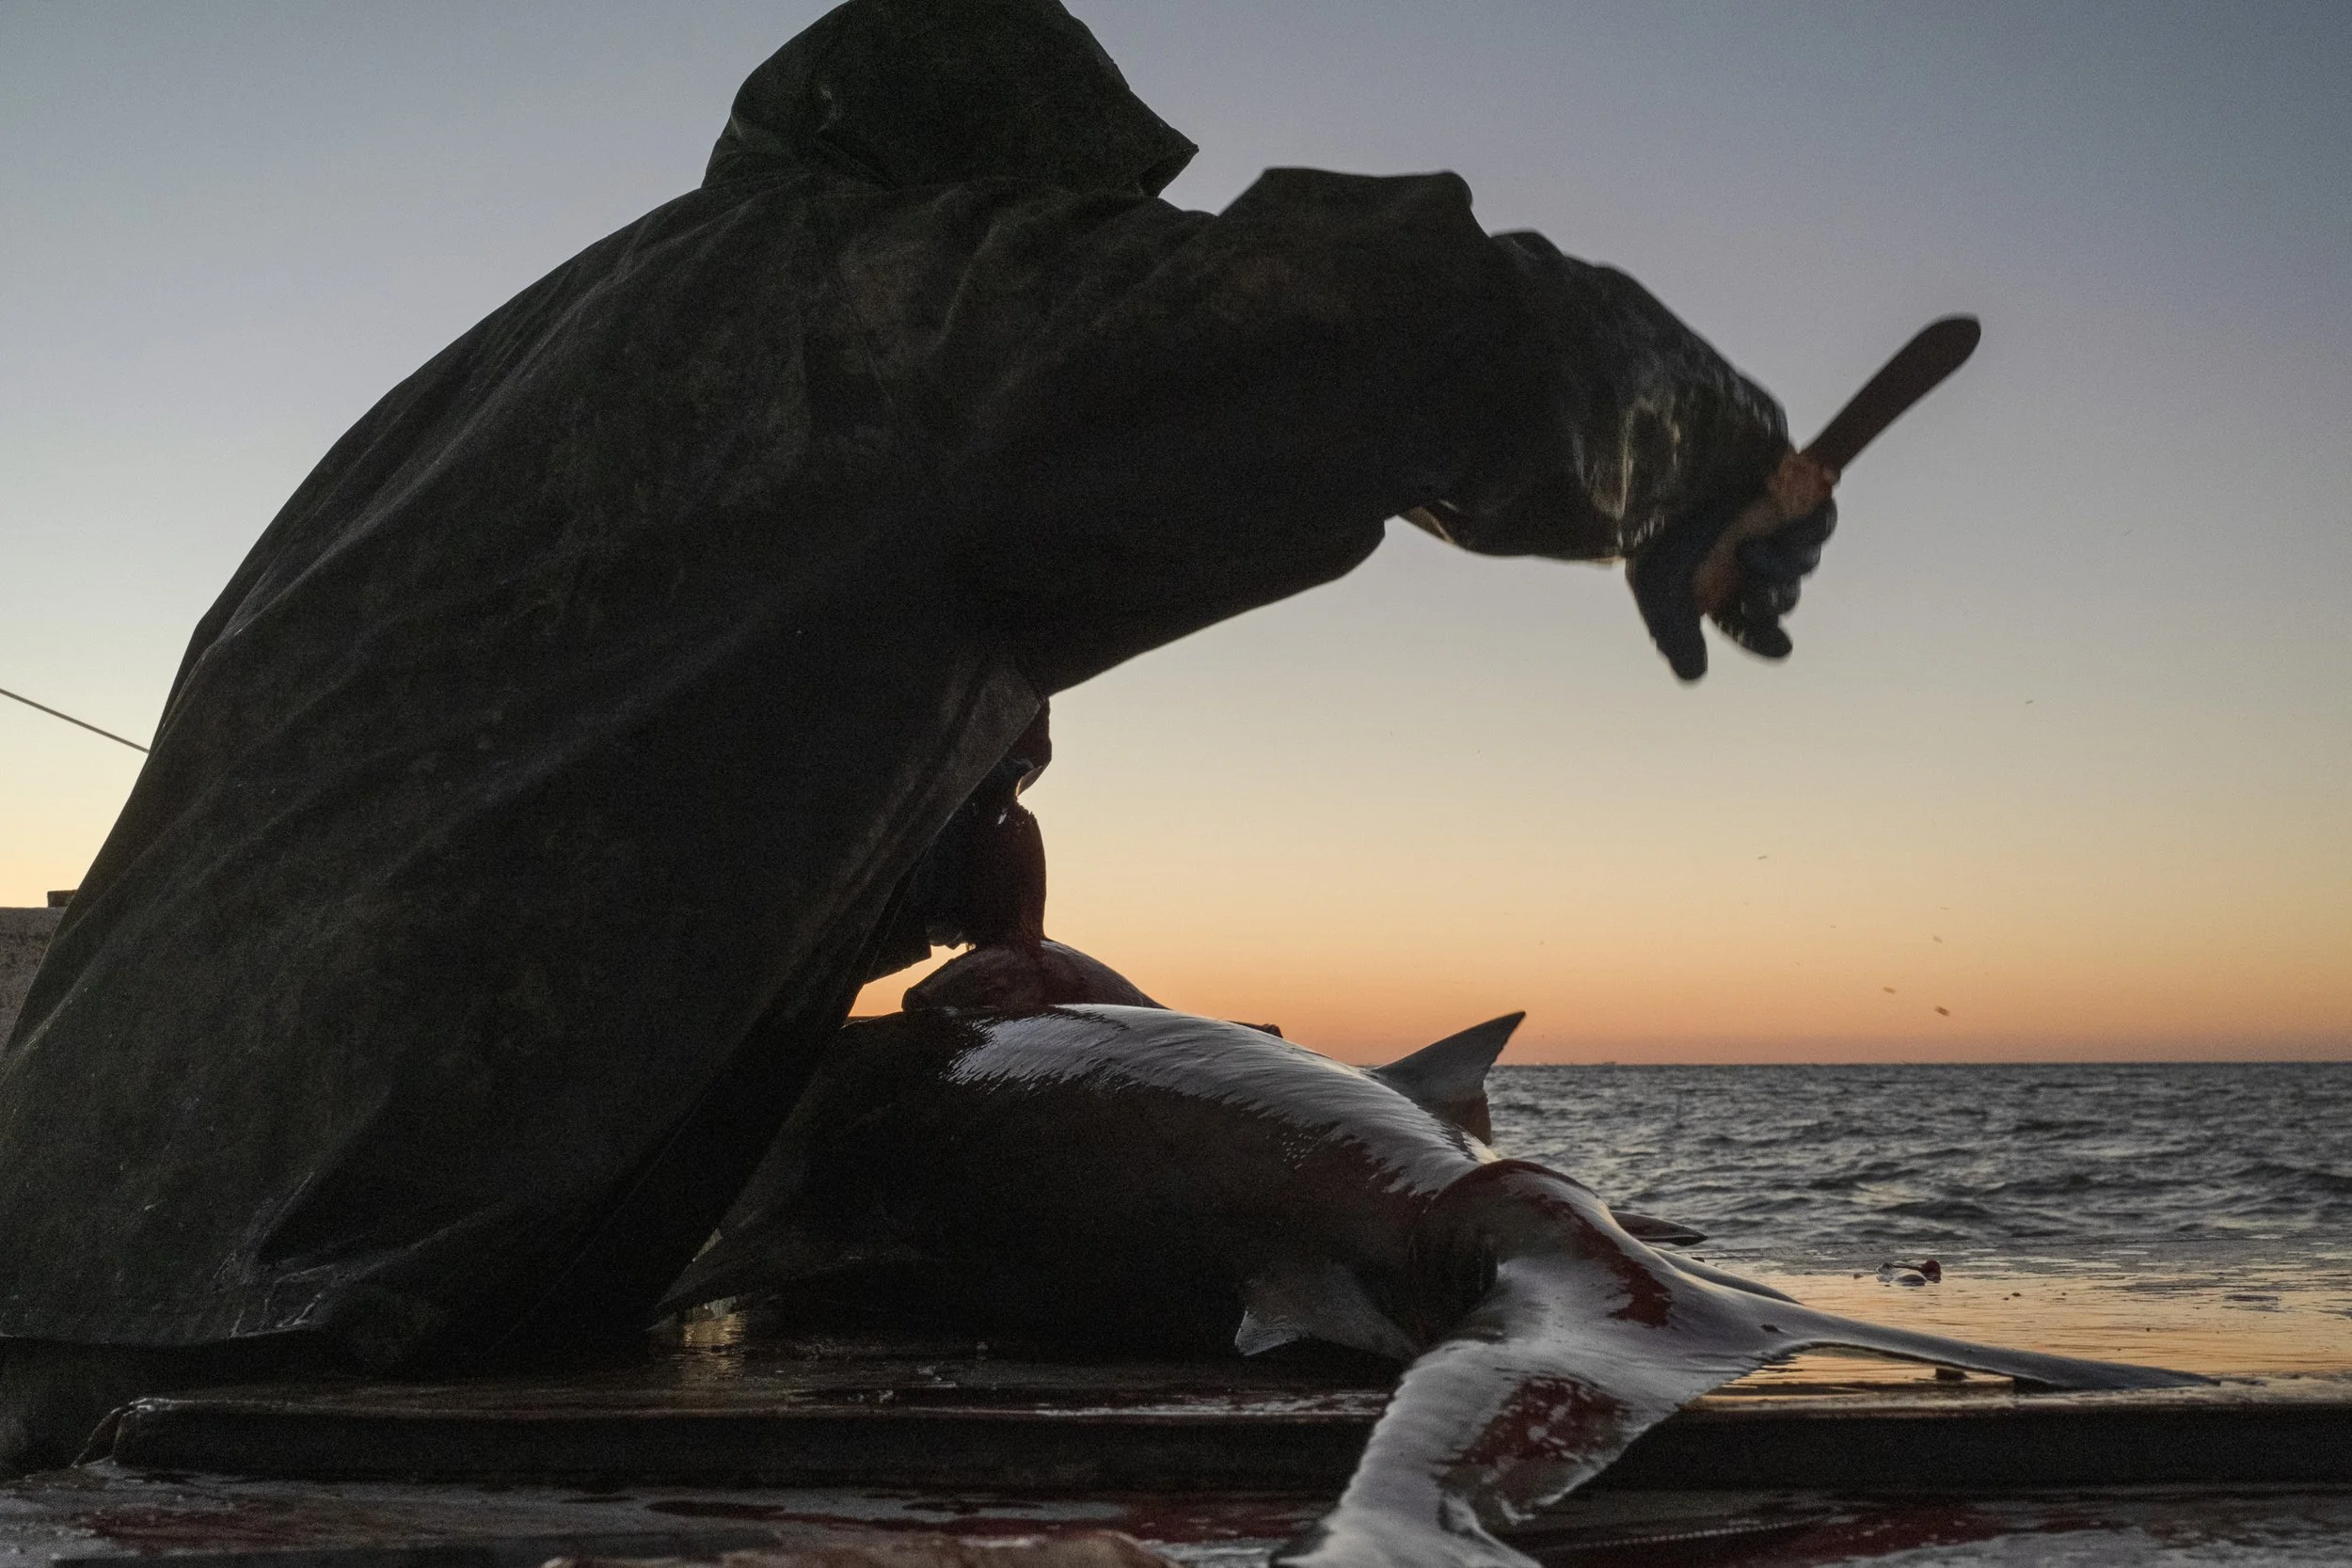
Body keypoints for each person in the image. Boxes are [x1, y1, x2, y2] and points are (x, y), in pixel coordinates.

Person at [0, 0, 1836, 1471]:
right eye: (1089, 222)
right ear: (998, 186)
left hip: (61, 1231)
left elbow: (628, 729)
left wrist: (926, 828)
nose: (1107, 256)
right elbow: (1402, 325)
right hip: (344, 1275)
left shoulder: (518, 375)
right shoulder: (894, 309)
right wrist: (1695, 464)